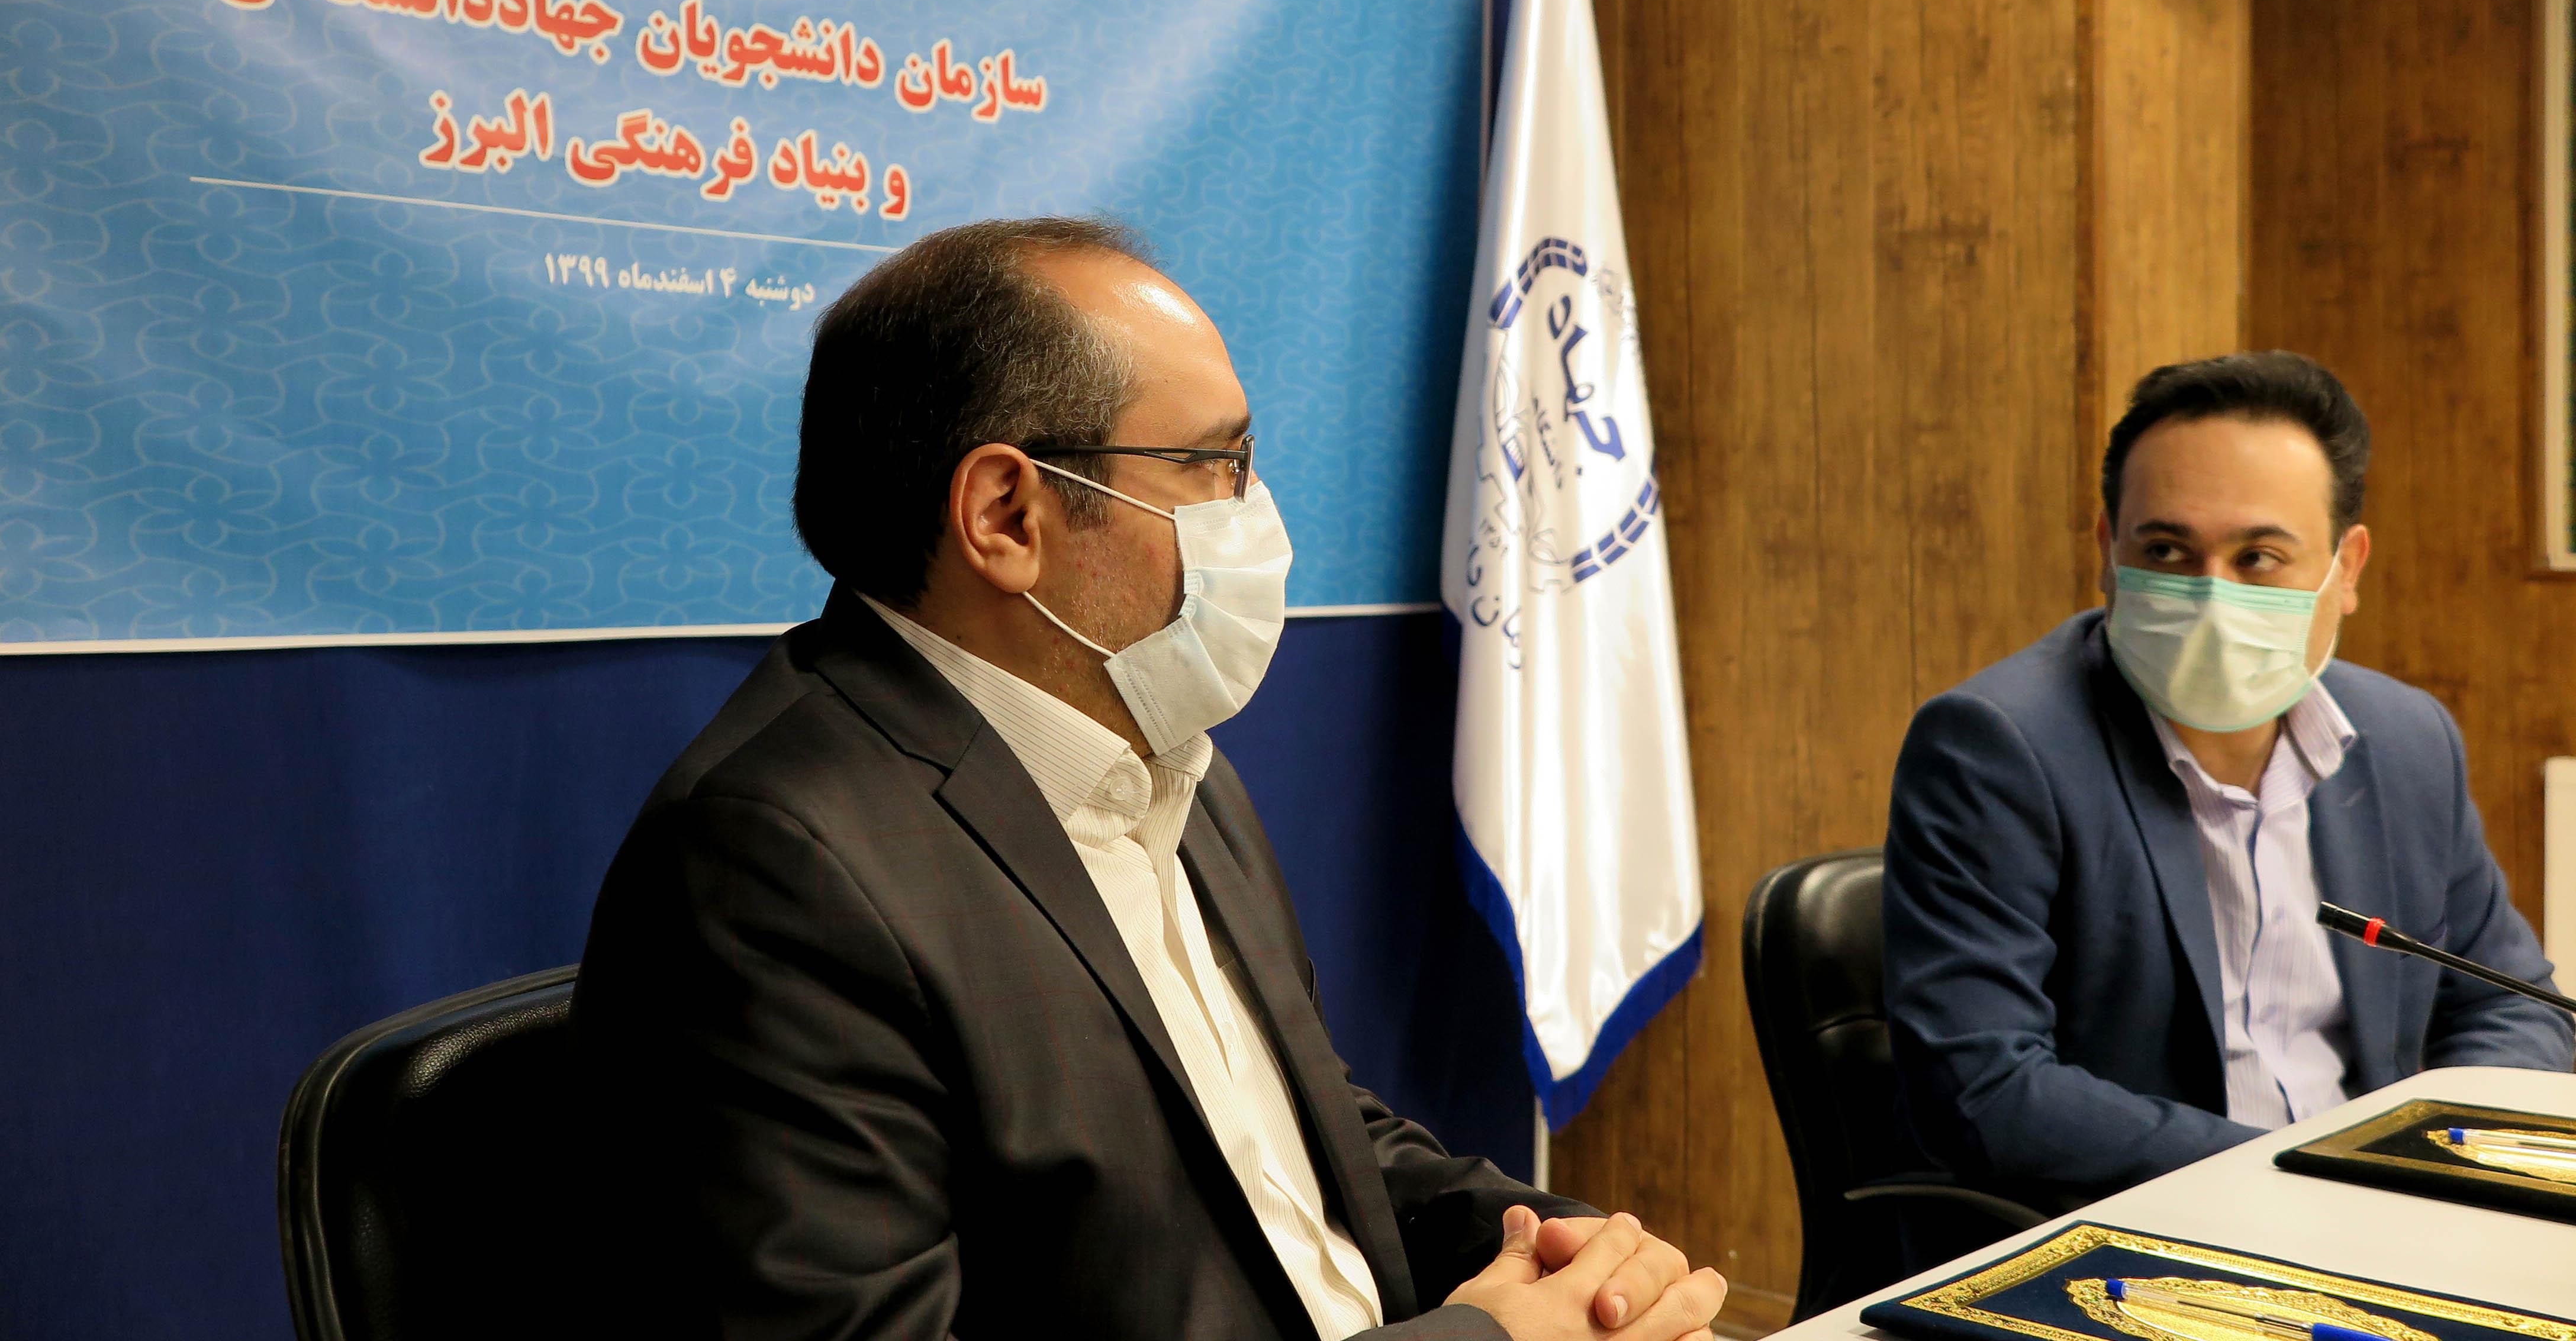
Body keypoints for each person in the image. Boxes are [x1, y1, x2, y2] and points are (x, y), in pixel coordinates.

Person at [574, 218, 1728, 1340]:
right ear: (1006, 515)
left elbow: (1296, 1136)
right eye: (1212, 464)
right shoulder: (774, 868)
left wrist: (1573, 1261)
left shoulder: (1159, 751)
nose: (1253, 511)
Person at [1882, 350, 2572, 1208]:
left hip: (2385, 1209)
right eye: (2167, 550)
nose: (2210, 598)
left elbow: (2514, 1007)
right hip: (2147, 1227)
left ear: (2347, 570)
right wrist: (2308, 1177)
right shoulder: (1996, 748)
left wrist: (2430, 1163)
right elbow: (1984, 1090)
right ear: (2107, 552)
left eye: (2259, 558)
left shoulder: (2405, 740)